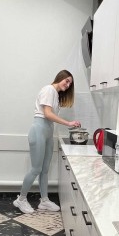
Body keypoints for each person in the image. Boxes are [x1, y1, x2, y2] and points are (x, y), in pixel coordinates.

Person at [14, 70, 81, 214]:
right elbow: (47, 114)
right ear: (60, 77)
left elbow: (50, 116)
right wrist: (68, 123)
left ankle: (44, 201)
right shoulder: (49, 89)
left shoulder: (55, 94)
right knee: (36, 169)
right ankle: (21, 199)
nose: (68, 85)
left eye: (70, 84)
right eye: (67, 81)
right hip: (39, 130)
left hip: (48, 132)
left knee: (45, 169)